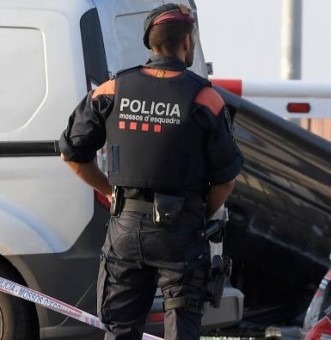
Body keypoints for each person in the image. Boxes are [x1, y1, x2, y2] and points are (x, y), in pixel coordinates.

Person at [58, 3, 243, 339]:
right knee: (181, 330)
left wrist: (110, 192)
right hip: (181, 235)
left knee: (120, 330)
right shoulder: (205, 99)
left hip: (125, 231)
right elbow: (226, 179)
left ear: (150, 43)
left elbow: (70, 152)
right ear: (186, 42)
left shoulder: (112, 90)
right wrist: (200, 214)